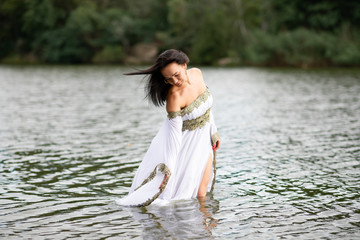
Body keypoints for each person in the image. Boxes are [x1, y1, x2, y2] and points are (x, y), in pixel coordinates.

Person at [117, 49, 220, 207]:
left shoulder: (197, 74)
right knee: (193, 194)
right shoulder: (174, 97)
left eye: (176, 75)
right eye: (169, 79)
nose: (175, 81)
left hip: (203, 141)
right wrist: (169, 166)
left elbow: (206, 108)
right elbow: (174, 136)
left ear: (184, 65)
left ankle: (204, 230)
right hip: (186, 146)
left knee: (202, 191)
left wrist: (214, 132)